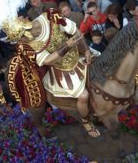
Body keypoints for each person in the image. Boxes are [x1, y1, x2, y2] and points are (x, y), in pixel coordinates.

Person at [9, 9, 100, 137]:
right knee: (83, 95)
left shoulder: (50, 16)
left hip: (78, 53)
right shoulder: (27, 46)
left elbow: (74, 31)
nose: (21, 42)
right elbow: (47, 60)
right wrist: (66, 46)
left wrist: (85, 50)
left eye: (21, 38)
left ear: (26, 30)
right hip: (62, 69)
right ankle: (86, 121)